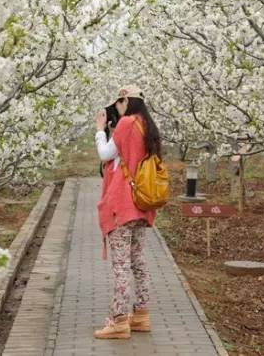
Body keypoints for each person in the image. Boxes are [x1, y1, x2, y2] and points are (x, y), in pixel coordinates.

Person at [92, 84, 162, 340]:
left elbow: (105, 153)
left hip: (123, 204)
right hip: (143, 205)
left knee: (121, 265)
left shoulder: (125, 124)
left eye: (118, 104)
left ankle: (119, 320)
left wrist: (101, 131)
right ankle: (141, 315)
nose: (116, 109)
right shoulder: (150, 128)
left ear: (126, 101)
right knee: (138, 263)